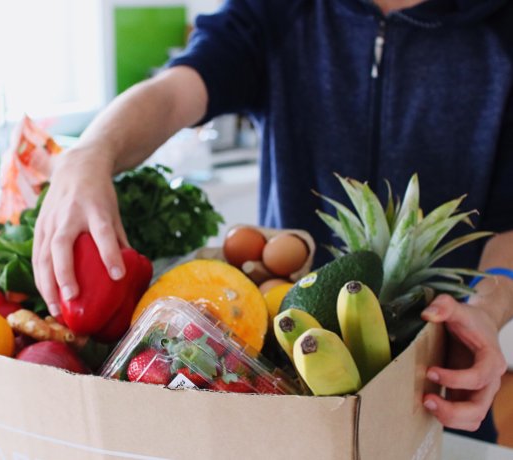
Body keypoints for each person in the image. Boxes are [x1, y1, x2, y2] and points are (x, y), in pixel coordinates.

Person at [32, 0, 513, 442]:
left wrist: (489, 311)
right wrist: (92, 151)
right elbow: (177, 93)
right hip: (275, 377)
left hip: (435, 378)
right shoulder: (280, 8)